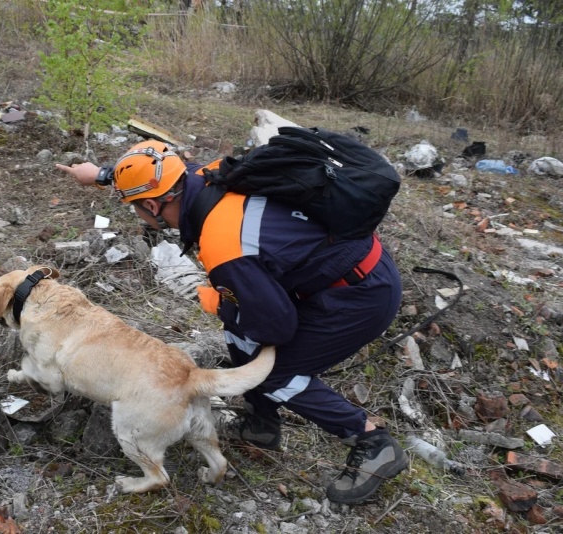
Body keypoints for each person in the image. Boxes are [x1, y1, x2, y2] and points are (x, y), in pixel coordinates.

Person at [56, 139, 407, 504]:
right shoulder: (207, 177)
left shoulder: (225, 248)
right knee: (240, 336)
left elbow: (277, 328)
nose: (139, 215)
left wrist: (216, 300)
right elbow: (155, 176)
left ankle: (371, 441)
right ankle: (262, 425)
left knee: (273, 372)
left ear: (153, 206)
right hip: (336, 276)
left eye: (136, 209)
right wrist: (100, 175)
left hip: (358, 297)